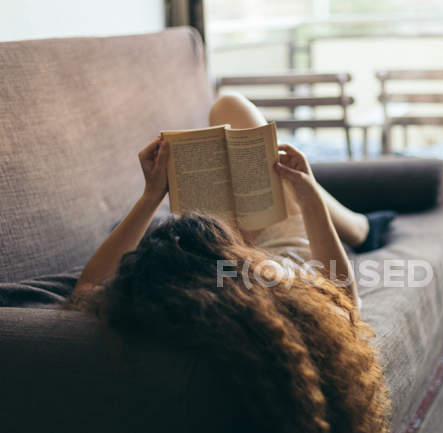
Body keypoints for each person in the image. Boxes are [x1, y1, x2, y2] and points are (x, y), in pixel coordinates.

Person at [70, 93, 392, 433]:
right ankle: (361, 228)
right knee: (231, 108)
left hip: (221, 255)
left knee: (228, 112)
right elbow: (345, 298)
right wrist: (310, 199)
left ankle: (357, 224)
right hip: (285, 242)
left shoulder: (177, 299)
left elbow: (86, 289)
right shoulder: (280, 289)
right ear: (236, 256)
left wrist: (152, 196)